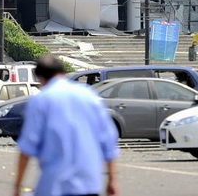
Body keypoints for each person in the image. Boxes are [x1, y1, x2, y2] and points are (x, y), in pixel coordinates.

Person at [13, 54, 119, 196]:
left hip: (55, 184)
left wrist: (17, 186)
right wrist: (112, 180)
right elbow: (108, 141)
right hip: (89, 183)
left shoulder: (40, 100)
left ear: (41, 79)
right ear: (63, 73)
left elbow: (27, 147)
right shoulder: (90, 96)